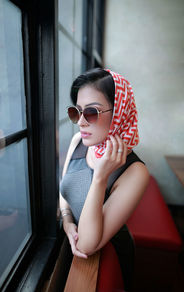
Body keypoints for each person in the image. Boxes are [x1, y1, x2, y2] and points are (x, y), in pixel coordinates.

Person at [60, 68, 149, 290]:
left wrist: (100, 177)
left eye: (91, 112)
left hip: (111, 256)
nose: (80, 122)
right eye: (76, 111)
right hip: (72, 246)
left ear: (119, 112)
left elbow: (88, 245)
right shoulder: (78, 141)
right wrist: (67, 221)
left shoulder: (135, 172)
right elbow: (65, 191)